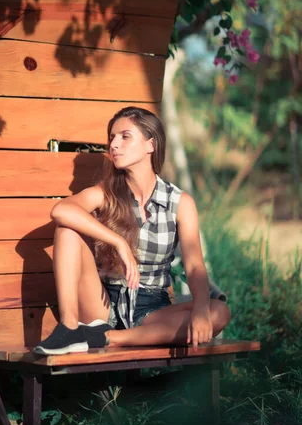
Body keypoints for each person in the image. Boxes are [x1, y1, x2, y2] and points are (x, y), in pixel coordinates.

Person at [34, 106, 230, 356]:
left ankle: (107, 338)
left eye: (125, 136)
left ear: (151, 144)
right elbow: (61, 210)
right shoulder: (105, 193)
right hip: (102, 305)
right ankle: (70, 328)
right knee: (67, 230)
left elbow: (194, 267)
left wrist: (201, 309)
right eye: (112, 138)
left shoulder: (181, 203)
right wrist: (119, 243)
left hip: (154, 312)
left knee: (219, 311)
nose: (114, 144)